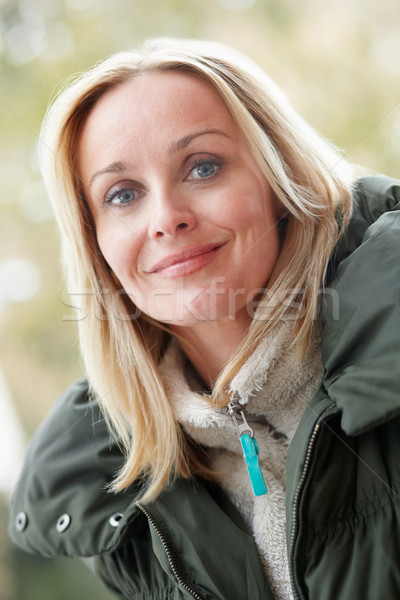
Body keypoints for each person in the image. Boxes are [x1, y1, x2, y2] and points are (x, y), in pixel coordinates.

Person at [8, 38, 400, 599]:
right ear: (96, 245)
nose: (166, 218)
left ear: (278, 178)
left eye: (203, 167)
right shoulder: (112, 500)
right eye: (122, 195)